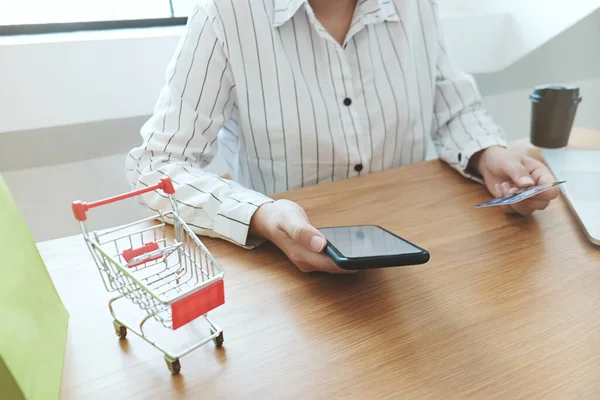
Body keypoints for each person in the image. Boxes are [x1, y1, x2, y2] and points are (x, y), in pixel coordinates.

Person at [126, 0, 559, 274]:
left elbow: (454, 108)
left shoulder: (417, 6)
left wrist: (488, 154)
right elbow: (156, 166)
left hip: (415, 256)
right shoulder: (225, 13)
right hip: (284, 272)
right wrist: (260, 214)